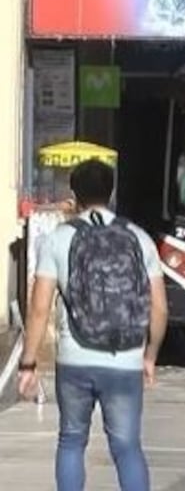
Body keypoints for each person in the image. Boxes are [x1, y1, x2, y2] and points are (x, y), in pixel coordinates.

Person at [17, 159, 168, 491]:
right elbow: (159, 308)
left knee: (71, 440)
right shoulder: (139, 238)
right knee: (127, 448)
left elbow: (39, 309)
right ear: (111, 192)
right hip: (125, 359)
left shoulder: (57, 239)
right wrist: (150, 356)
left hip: (75, 360)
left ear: (75, 193)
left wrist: (28, 364)